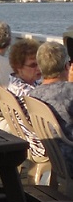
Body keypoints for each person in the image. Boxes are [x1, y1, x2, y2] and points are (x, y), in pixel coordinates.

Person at [28, 41, 73, 171]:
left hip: (53, 155)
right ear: (66, 66)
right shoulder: (69, 92)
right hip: (69, 158)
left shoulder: (33, 95)